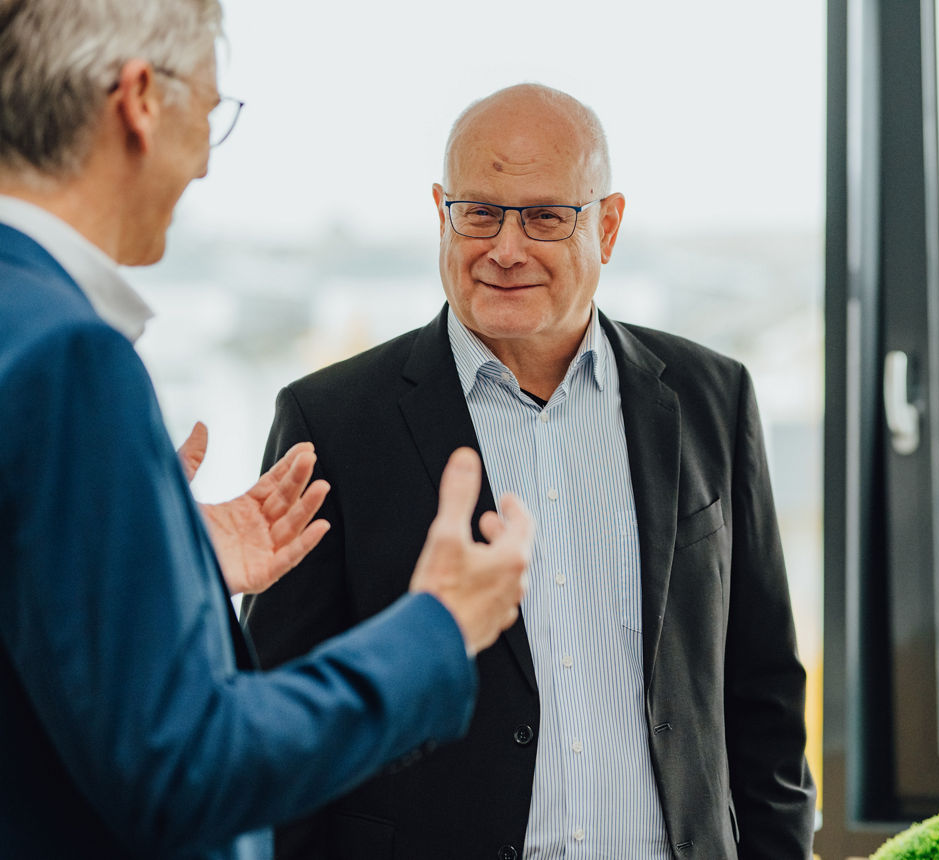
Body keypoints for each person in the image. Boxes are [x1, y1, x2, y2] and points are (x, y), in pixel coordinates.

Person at [0, 2, 533, 858]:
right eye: (212, 114)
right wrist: (438, 625)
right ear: (141, 100)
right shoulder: (72, 356)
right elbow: (184, 772)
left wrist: (164, 559)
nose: (207, 164)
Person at [241, 83, 816, 858]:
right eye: (480, 213)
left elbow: (764, 695)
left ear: (607, 226)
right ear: (441, 213)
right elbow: (281, 720)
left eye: (545, 217)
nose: (506, 250)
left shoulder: (713, 399)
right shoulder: (331, 421)